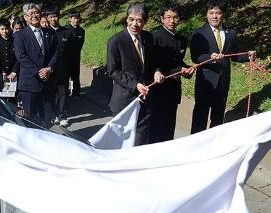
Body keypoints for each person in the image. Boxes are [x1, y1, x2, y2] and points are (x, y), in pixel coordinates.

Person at [190, 0, 256, 134]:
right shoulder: (198, 33)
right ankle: (195, 146)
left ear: (223, 15)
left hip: (223, 82)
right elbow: (196, 56)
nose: (214, 16)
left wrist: (248, 56)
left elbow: (235, 55)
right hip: (205, 82)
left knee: (218, 118)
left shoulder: (230, 33)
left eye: (218, 13)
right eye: (211, 13)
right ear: (206, 14)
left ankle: (215, 147)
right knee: (200, 117)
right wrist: (210, 57)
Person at [107, 1, 161, 146]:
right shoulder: (116, 41)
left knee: (141, 137)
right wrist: (135, 84)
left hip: (145, 98)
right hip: (124, 100)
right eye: (131, 19)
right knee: (120, 141)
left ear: (146, 21)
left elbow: (153, 62)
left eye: (139, 20)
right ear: (127, 19)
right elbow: (113, 71)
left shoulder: (149, 38)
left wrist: (157, 71)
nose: (134, 24)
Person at [150, 2, 195, 143]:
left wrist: (187, 69)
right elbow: (153, 64)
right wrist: (177, 70)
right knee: (156, 127)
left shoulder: (181, 40)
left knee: (170, 126)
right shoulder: (154, 38)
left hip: (174, 89)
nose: (172, 21)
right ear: (161, 18)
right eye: (168, 17)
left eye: (175, 17)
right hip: (158, 89)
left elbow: (178, 62)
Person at [14, 3, 60, 127]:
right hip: (30, 84)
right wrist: (39, 72)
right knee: (30, 119)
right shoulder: (19, 35)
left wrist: (49, 69)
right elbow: (21, 56)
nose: (34, 16)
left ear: (41, 14)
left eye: (36, 13)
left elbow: (57, 52)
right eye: (31, 14)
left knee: (46, 119)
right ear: (25, 17)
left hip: (48, 82)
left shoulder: (50, 33)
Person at [46, 6, 70, 127]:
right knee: (51, 93)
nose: (53, 19)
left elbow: (70, 52)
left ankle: (62, 115)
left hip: (63, 69)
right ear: (48, 18)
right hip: (49, 69)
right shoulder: (45, 31)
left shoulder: (66, 31)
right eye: (51, 17)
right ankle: (52, 114)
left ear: (59, 17)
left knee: (63, 93)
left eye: (55, 16)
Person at [0, 18, 19, 103]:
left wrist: (14, 71)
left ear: (10, 28)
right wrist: (2, 71)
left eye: (6, 28)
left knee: (13, 98)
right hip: (2, 74)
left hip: (14, 74)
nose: (4, 31)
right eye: (2, 29)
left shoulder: (15, 40)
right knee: (3, 98)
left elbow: (19, 58)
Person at [65, 11, 85, 97]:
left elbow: (81, 43)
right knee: (66, 75)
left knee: (76, 75)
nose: (76, 20)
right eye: (74, 18)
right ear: (70, 19)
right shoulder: (65, 29)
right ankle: (65, 92)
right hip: (66, 57)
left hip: (76, 56)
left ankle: (76, 93)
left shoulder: (81, 31)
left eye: (77, 18)